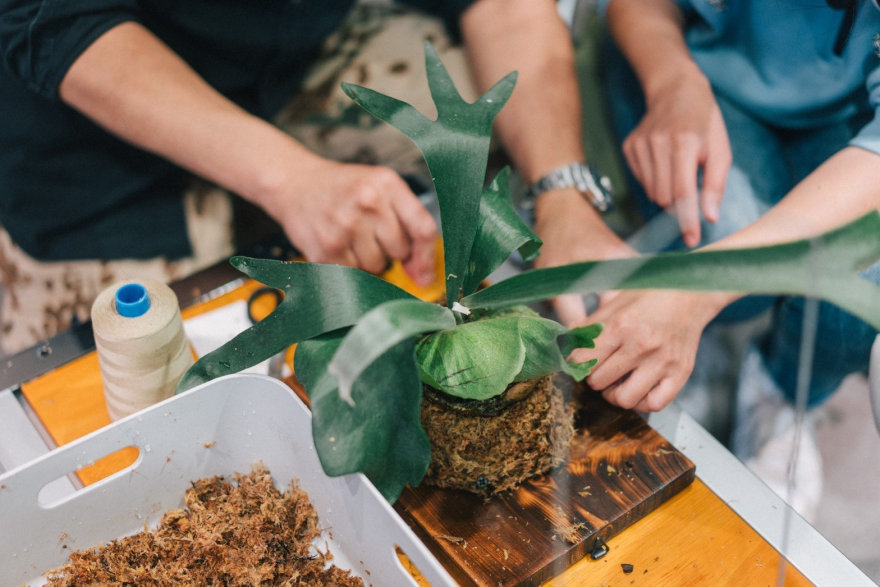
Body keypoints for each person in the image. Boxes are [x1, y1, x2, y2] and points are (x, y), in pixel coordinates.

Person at [0, 0, 596, 355]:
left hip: (284, 60)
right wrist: (290, 181)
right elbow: (52, 19)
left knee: (479, 117)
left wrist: (562, 195)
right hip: (88, 158)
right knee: (120, 373)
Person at [558, 0, 880, 518]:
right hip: (701, 69)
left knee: (860, 288)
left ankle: (780, 391)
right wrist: (670, 79)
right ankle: (696, 342)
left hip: (858, 114)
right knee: (703, 225)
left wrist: (701, 289)